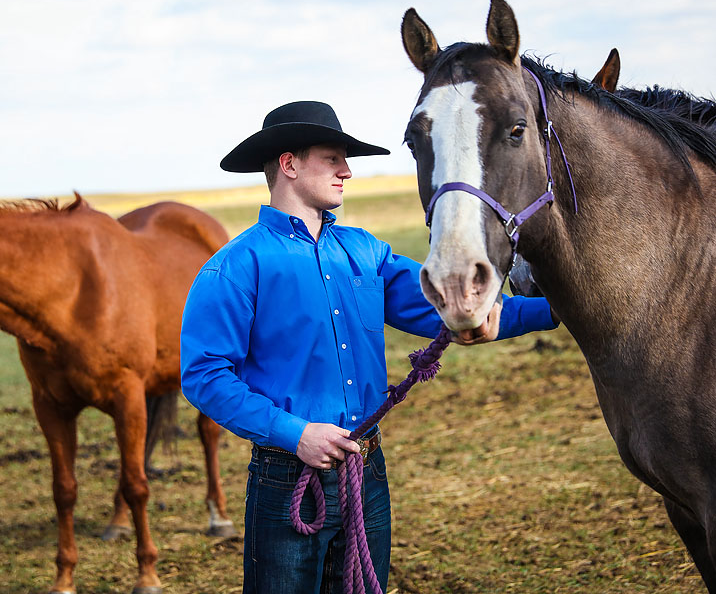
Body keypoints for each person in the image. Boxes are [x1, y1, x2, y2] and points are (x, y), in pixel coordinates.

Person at [180, 101, 557, 593]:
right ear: (289, 164)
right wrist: (295, 434)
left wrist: (559, 308)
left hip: (366, 472)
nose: (347, 171)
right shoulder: (235, 266)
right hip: (287, 478)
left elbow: (446, 307)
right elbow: (205, 375)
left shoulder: (365, 251)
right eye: (332, 158)